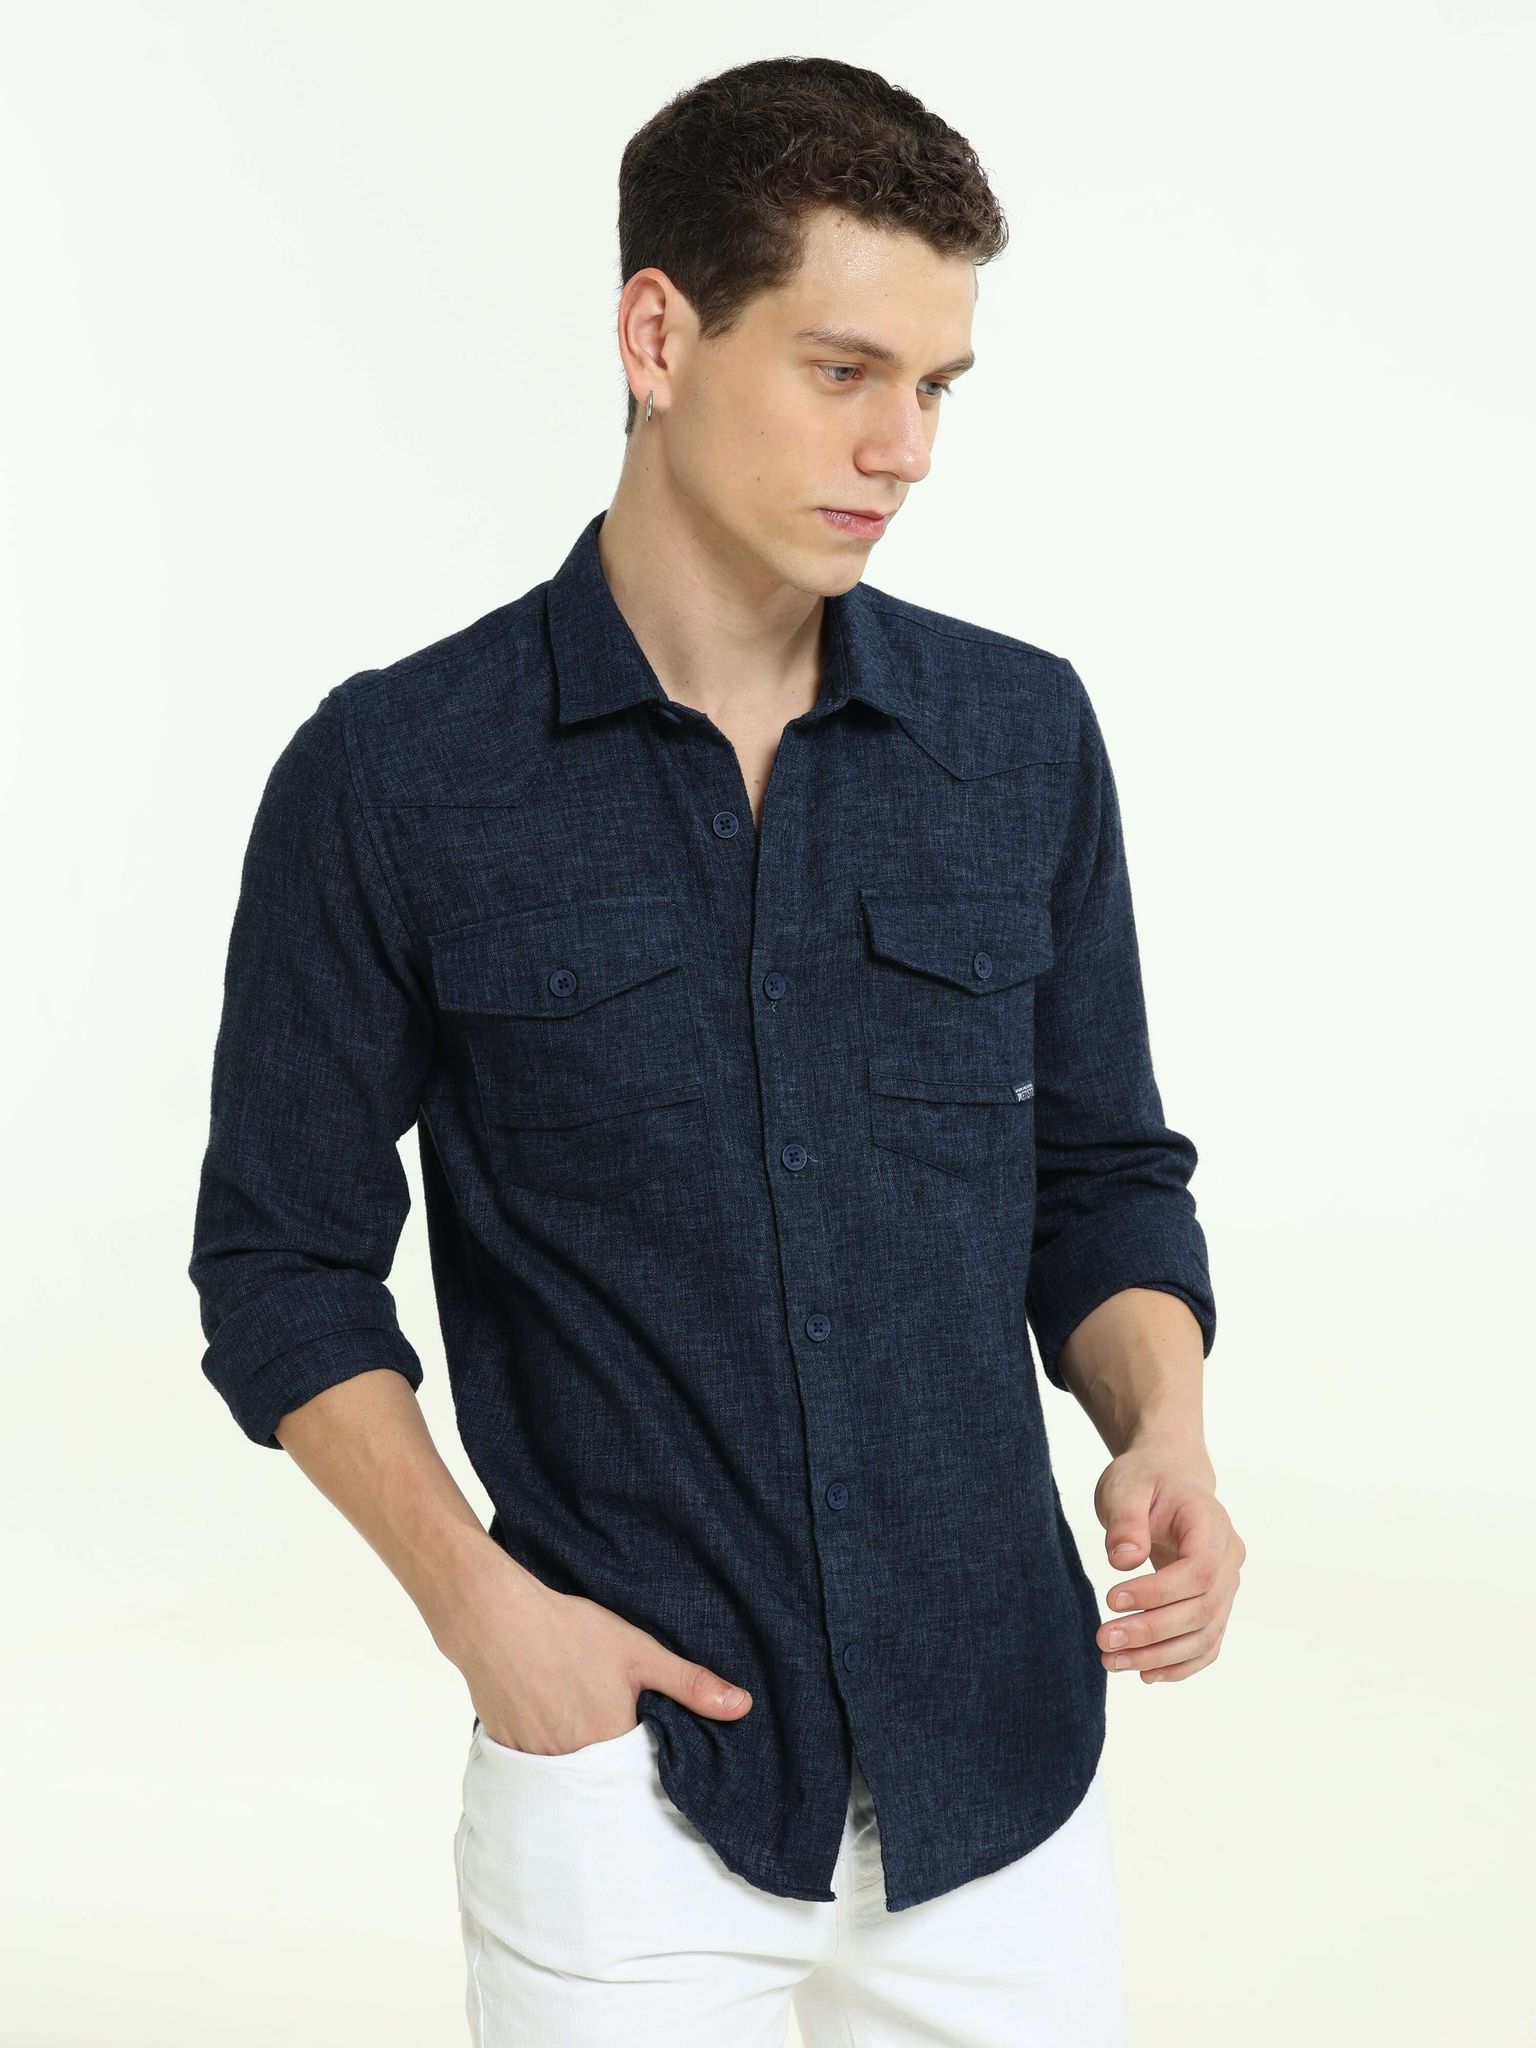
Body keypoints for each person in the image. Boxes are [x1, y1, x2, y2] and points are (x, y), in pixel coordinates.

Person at [188, 52, 1244, 2048]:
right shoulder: (396, 773)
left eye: (937, 387)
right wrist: (488, 1616)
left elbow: (1103, 1182)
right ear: (659, 337)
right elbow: (280, 1264)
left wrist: (1163, 1428)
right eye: (845, 371)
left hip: (1005, 1773)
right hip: (633, 1797)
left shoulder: (1019, 739)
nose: (903, 448)